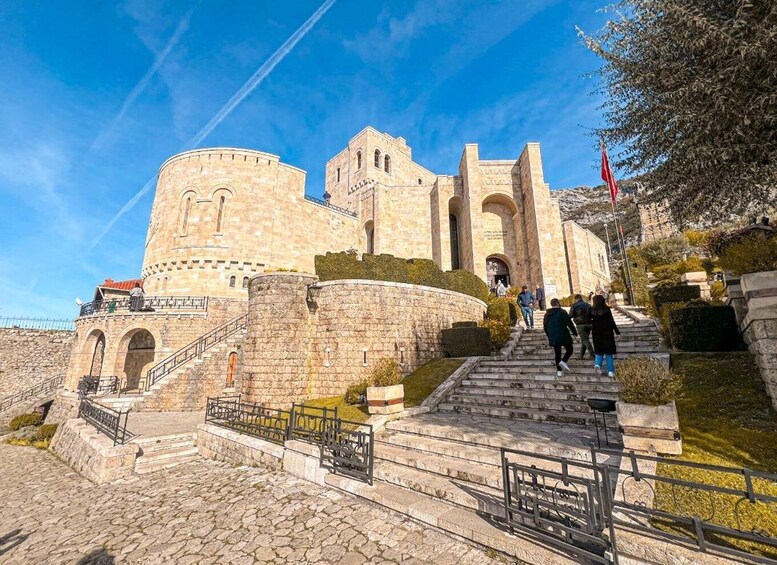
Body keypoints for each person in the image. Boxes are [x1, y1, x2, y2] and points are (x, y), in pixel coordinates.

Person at [543, 298, 578, 376]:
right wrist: (575, 332)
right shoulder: (562, 312)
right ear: (558, 303)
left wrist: (549, 336)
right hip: (563, 334)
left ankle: (559, 371)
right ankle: (563, 361)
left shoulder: (547, 314)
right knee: (570, 349)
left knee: (557, 353)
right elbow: (569, 323)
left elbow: (545, 327)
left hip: (553, 336)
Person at [590, 294, 620, 377]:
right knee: (608, 353)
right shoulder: (607, 309)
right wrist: (617, 332)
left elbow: (589, 322)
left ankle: (597, 365)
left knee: (599, 352)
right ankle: (610, 371)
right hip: (607, 333)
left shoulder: (591, 310)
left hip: (596, 333)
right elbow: (611, 321)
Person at [569, 294, 594, 359]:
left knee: (585, 339)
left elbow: (570, 315)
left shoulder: (574, 305)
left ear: (576, 299)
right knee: (584, 340)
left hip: (580, 325)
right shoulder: (588, 305)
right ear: (581, 298)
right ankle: (581, 355)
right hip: (589, 324)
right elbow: (592, 315)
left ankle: (592, 354)